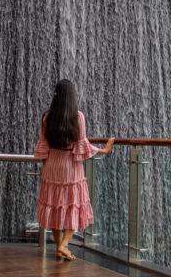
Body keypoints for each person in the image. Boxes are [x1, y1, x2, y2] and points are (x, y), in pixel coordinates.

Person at [34, 79, 114, 261]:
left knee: (54, 204)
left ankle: (58, 247)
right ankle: (64, 245)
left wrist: (46, 162)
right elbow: (82, 144)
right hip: (70, 164)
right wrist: (104, 149)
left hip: (52, 163)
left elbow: (43, 143)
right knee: (73, 203)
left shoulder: (47, 117)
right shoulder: (78, 117)